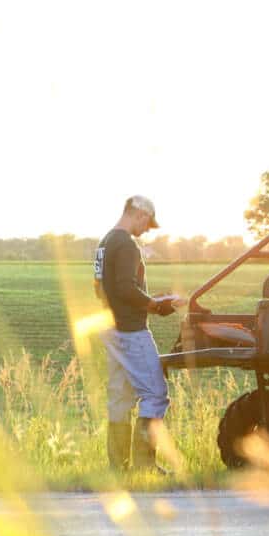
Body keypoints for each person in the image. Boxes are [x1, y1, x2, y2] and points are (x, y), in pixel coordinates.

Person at [93, 196, 186, 470]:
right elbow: (125, 288)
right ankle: (145, 467)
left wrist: (154, 300)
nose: (146, 229)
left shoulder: (105, 243)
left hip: (111, 328)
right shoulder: (126, 245)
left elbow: (102, 287)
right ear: (139, 214)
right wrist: (156, 305)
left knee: (120, 398)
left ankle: (119, 468)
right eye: (147, 223)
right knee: (155, 395)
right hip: (131, 331)